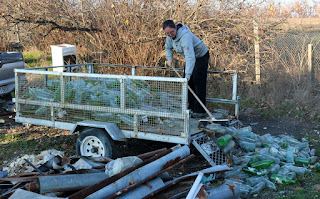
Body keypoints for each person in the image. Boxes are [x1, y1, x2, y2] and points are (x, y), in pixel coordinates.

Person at [163, 20, 209, 118]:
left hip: (201, 55)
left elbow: (190, 57)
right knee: (188, 82)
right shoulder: (169, 37)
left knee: (197, 80)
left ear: (175, 28)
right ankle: (191, 108)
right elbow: (168, 47)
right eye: (167, 33)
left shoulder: (185, 37)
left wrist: (187, 75)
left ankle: (200, 111)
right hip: (191, 57)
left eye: (172, 32)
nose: (170, 34)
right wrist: (169, 58)